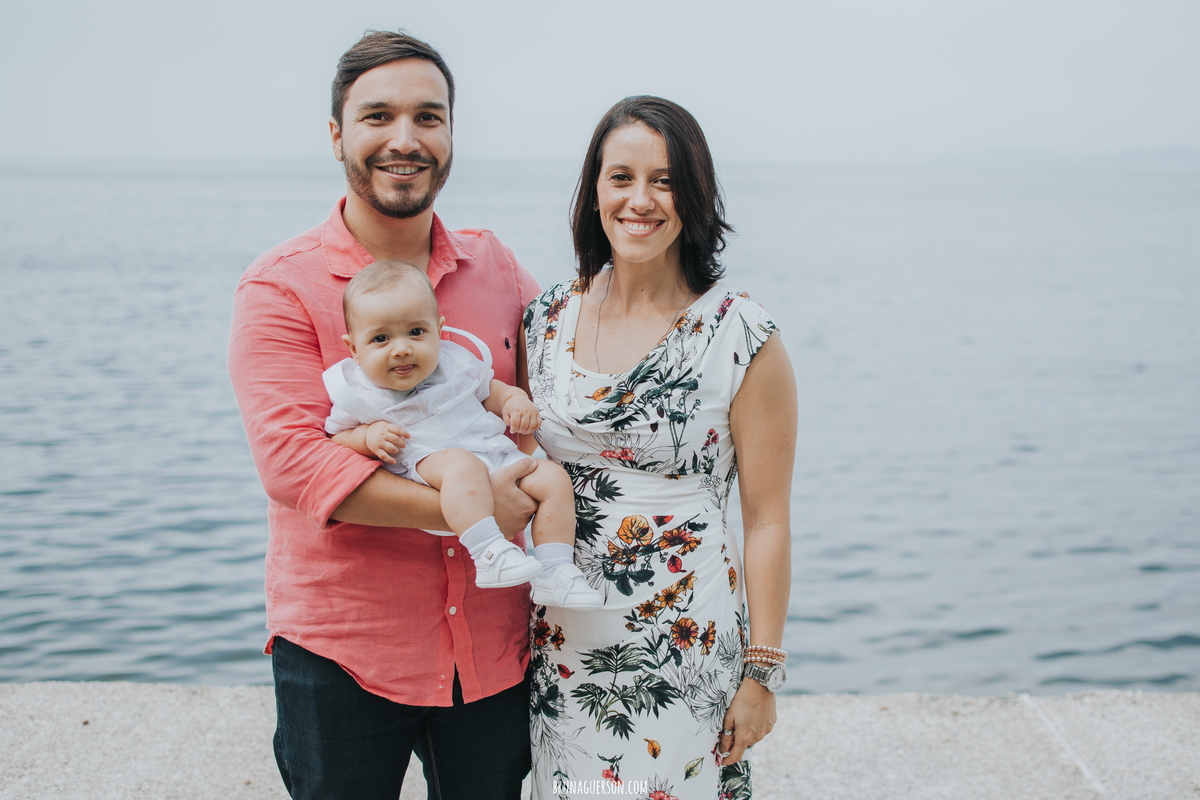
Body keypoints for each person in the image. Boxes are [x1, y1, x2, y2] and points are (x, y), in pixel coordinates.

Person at [228, 30, 539, 800]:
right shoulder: (280, 288)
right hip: (345, 651)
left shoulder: (494, 267)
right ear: (337, 135)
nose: (406, 140)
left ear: (451, 135)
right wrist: (472, 507)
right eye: (378, 117)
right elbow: (297, 467)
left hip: (496, 647)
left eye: (428, 118)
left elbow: (568, 387)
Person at [523, 96, 796, 799]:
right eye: (621, 178)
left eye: (665, 180)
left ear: (695, 196)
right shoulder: (545, 319)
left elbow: (766, 519)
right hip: (557, 643)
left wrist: (761, 674)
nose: (640, 200)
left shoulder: (740, 335)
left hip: (682, 647)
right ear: (594, 192)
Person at [324, 259, 604, 607]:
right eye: (381, 339)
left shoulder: (456, 362)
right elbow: (337, 438)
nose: (401, 348)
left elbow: (492, 391)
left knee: (552, 478)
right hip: (428, 467)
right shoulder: (359, 392)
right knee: (460, 463)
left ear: (439, 331)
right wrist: (367, 437)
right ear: (354, 349)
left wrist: (516, 401)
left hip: (491, 454)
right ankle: (488, 552)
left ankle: (555, 570)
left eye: (416, 332)